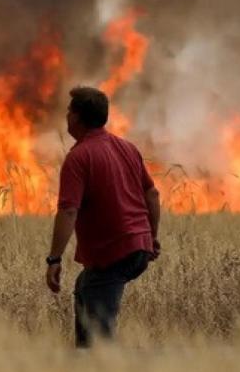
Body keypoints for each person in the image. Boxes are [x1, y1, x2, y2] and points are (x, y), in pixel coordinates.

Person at [45, 86, 161, 348]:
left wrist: (54, 259)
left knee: (100, 337)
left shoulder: (79, 157)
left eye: (68, 111)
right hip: (138, 247)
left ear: (76, 118)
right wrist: (151, 237)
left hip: (114, 251)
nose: (66, 116)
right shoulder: (127, 148)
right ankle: (85, 356)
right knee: (86, 284)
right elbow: (152, 194)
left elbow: (68, 210)